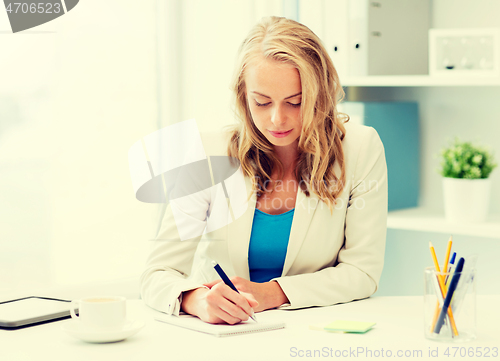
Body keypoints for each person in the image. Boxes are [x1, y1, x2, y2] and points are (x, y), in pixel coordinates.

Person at [140, 16, 387, 325]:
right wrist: (198, 300)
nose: (277, 120)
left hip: (315, 328)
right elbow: (157, 274)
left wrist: (273, 293)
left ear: (319, 95)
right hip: (227, 334)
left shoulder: (361, 148)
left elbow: (362, 273)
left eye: (295, 102)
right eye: (262, 102)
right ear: (244, 97)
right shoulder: (205, 155)